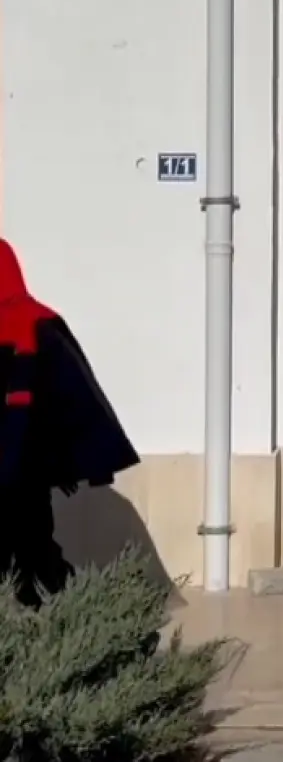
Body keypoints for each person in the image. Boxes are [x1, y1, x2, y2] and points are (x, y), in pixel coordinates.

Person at [0, 239, 139, 607]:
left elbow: (65, 397)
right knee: (35, 555)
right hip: (26, 473)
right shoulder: (43, 324)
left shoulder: (38, 326)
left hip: (22, 474)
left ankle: (83, 620)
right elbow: (74, 395)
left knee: (34, 557)